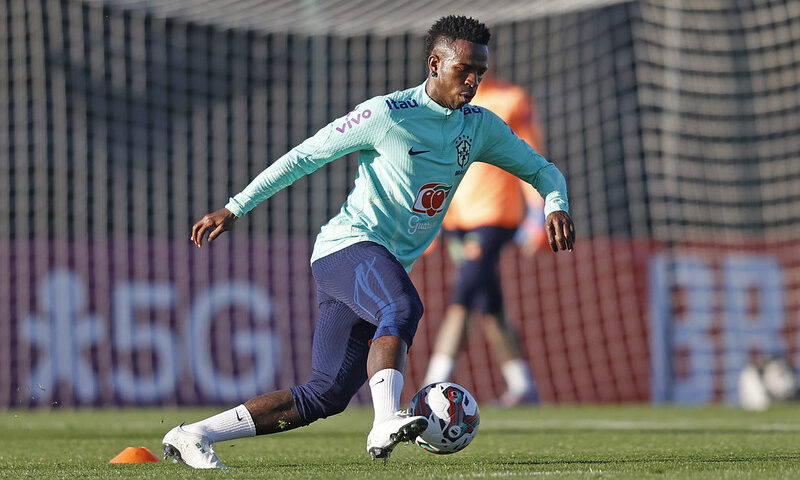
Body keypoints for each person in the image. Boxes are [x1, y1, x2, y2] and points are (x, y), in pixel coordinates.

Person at [162, 15, 575, 469]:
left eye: (481, 71)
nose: (474, 81)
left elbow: (541, 169)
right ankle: (384, 421)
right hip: (347, 247)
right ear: (435, 63)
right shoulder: (386, 114)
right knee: (402, 307)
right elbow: (304, 156)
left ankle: (193, 434)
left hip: (380, 264)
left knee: (325, 394)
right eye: (464, 70)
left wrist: (555, 203)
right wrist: (235, 206)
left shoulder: (478, 126)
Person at [422, 74, 547, 406]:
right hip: (455, 219)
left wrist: (538, 213)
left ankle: (433, 383)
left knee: (462, 296)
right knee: (489, 303)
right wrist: (428, 217)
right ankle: (522, 385)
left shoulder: (511, 99)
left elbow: (531, 156)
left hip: (494, 217)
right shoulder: (444, 103)